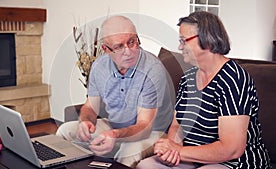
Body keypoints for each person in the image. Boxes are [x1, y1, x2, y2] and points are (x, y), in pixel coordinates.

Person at [136, 11, 271, 169]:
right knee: (146, 166)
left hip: (234, 163)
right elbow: (177, 125)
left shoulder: (233, 79)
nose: (180, 47)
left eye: (184, 40)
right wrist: (170, 151)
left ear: (206, 39)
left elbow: (232, 149)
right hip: (194, 157)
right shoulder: (189, 78)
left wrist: (179, 151)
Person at [56, 15, 175, 168]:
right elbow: (90, 107)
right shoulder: (99, 66)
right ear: (105, 49)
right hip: (115, 126)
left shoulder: (152, 69)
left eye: (132, 42)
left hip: (153, 132)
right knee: (65, 131)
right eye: (119, 46)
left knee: (129, 150)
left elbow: (144, 127)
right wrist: (85, 121)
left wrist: (114, 135)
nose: (129, 51)